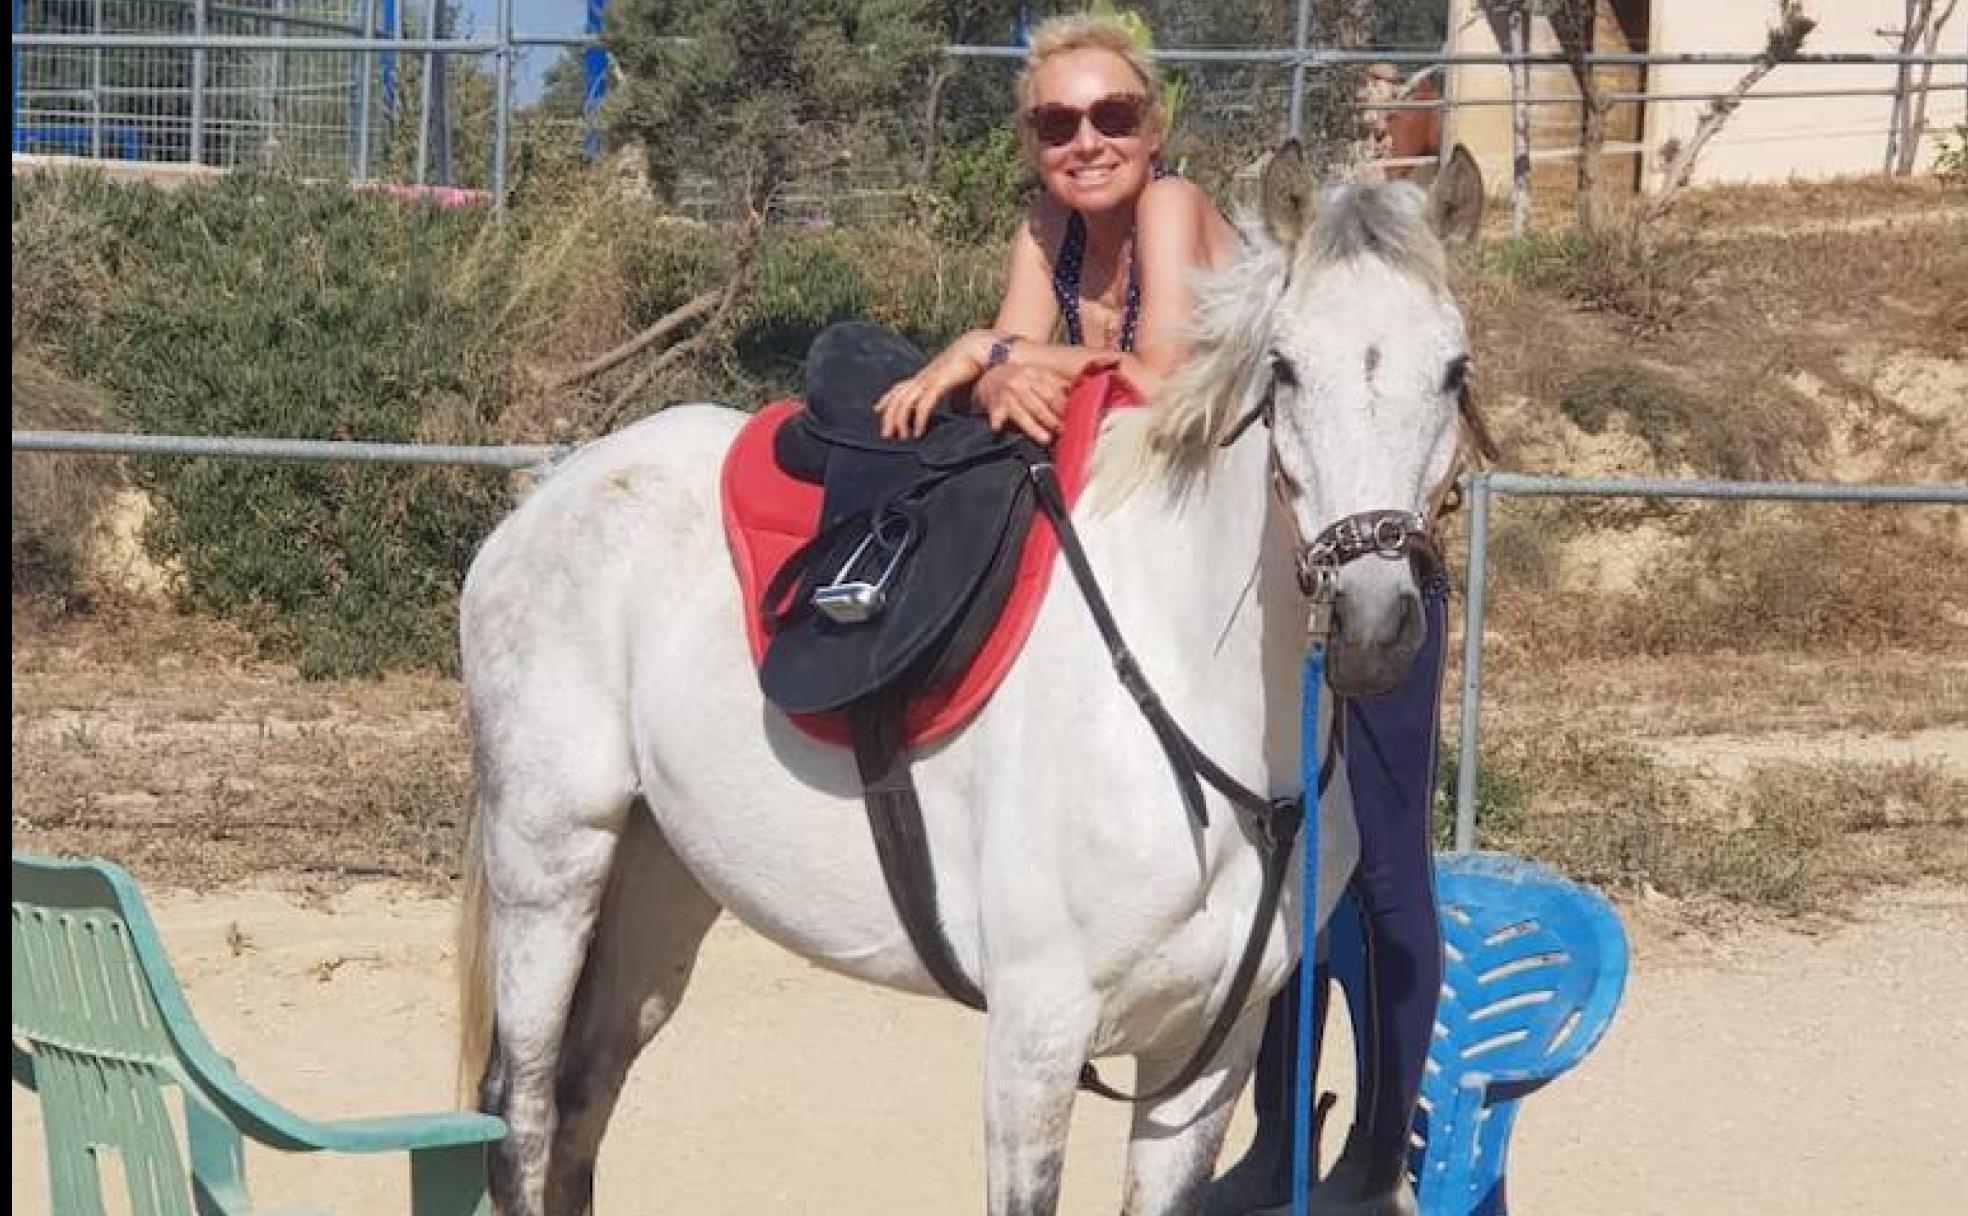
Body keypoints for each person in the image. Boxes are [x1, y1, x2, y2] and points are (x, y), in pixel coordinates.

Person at [863, 12, 1236, 443]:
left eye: (1114, 117)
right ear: (1033, 145)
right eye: (1057, 125)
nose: (1088, 144)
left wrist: (985, 349)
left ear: (1154, 131)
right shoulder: (1050, 223)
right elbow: (1004, 364)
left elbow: (1158, 389)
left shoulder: (1170, 201)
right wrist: (995, 383)